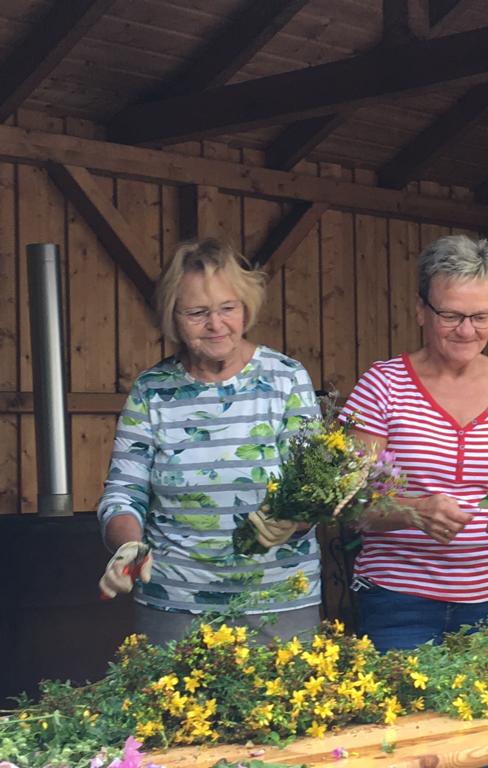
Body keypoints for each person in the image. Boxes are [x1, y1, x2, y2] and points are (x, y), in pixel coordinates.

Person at [97, 238, 321, 645]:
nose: (216, 325)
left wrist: (295, 516)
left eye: (227, 308)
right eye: (197, 313)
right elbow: (123, 492)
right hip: (174, 602)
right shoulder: (152, 391)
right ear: (173, 318)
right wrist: (128, 544)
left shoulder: (286, 378)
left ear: (246, 307)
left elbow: (314, 486)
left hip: (280, 599)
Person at [341, 234, 488, 651]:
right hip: (398, 601)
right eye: (451, 316)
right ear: (420, 309)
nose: (467, 331)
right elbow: (345, 502)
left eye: (481, 317)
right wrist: (413, 511)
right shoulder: (382, 385)